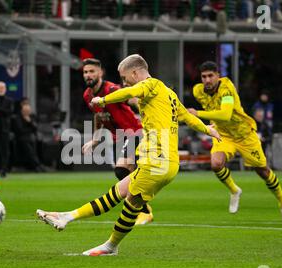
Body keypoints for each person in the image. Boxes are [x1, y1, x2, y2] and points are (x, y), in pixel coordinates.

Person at [36, 54, 220, 256]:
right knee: (118, 191)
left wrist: (103, 99)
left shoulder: (152, 85)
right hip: (167, 162)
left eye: (125, 77)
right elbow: (187, 117)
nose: (124, 82)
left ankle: (110, 246)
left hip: (156, 161)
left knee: (130, 202)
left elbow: (132, 91)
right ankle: (67, 217)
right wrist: (208, 130)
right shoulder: (168, 93)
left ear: (134, 73)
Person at [188, 61, 282, 224]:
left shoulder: (227, 89)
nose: (207, 80)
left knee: (263, 171)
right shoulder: (198, 91)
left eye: (211, 76)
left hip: (244, 135)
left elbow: (225, 115)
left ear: (218, 75)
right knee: (216, 164)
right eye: (204, 76)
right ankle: (234, 190)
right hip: (223, 135)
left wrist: (198, 113)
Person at [81, 57, 152, 225]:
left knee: (122, 169)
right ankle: (141, 210)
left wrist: (150, 117)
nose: (88, 75)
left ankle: (144, 210)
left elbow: (134, 100)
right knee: (126, 174)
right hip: (121, 139)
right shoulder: (88, 95)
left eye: (92, 71)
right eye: (85, 72)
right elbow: (98, 116)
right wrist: (95, 140)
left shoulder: (112, 89)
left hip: (136, 133)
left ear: (100, 72)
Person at [12, 102, 41, 171]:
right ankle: (37, 165)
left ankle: (38, 164)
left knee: (37, 141)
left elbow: (35, 128)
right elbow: (20, 130)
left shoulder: (31, 117)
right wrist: (30, 129)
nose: (27, 113)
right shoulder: (17, 118)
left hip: (30, 138)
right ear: (22, 111)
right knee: (26, 143)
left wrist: (29, 121)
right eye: (25, 111)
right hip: (20, 138)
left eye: (28, 111)